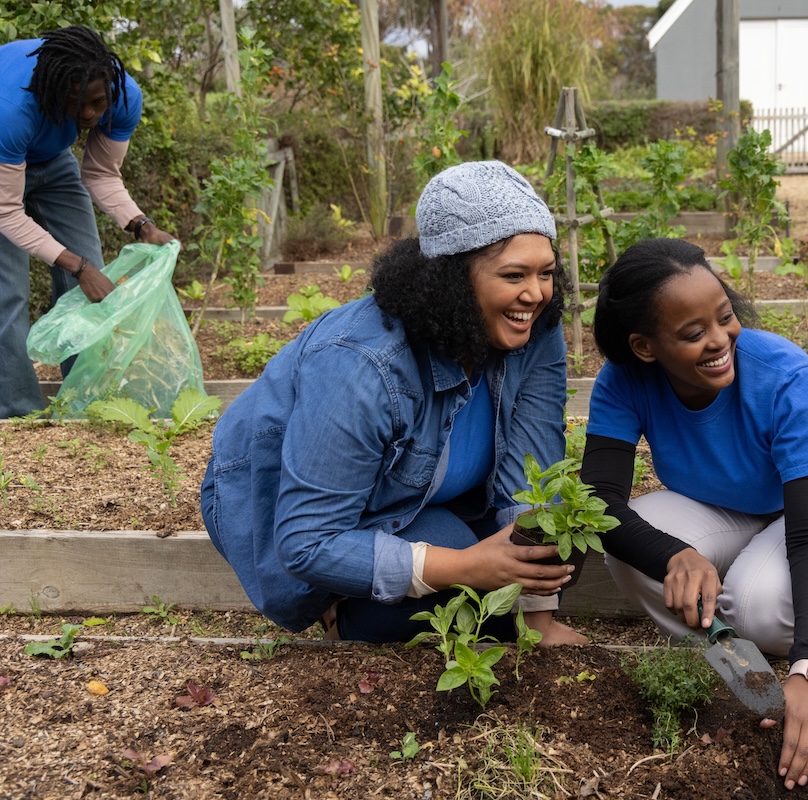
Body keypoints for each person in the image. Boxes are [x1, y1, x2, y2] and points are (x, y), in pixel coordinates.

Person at [201, 160, 587, 647]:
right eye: (513, 275)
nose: (535, 294)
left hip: (417, 497)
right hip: (293, 504)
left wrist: (537, 622)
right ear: (451, 281)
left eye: (546, 272)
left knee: (545, 557)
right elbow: (307, 542)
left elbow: (534, 473)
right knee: (460, 589)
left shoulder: (534, 331)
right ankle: (339, 613)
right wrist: (469, 565)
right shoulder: (362, 365)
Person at [579, 238, 808, 789]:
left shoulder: (782, 375)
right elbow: (600, 501)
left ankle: (778, 640)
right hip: (740, 506)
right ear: (644, 347)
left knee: (760, 607)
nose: (719, 341)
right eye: (692, 333)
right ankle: (735, 666)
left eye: (725, 317)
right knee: (636, 557)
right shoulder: (625, 380)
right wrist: (673, 554)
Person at [0, 25, 175, 418]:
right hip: (2, 156)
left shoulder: (124, 96)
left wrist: (140, 224)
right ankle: (16, 413)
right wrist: (75, 266)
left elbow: (101, 174)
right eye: (77, 104)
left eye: (98, 102)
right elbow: (7, 212)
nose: (90, 115)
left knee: (92, 273)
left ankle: (83, 401)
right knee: (7, 293)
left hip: (49, 158)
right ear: (54, 92)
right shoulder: (11, 108)